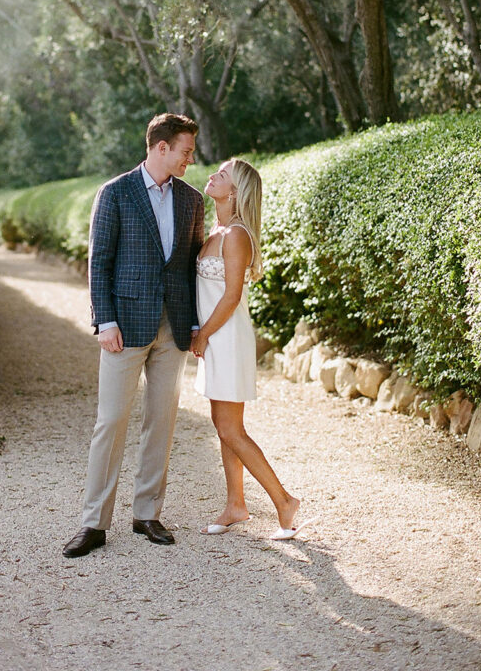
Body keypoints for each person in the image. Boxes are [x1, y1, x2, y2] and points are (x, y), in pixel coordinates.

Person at [63, 113, 205, 558]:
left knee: (161, 422)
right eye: (185, 150)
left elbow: (192, 266)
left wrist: (196, 323)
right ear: (160, 147)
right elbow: (98, 262)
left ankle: (147, 514)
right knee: (111, 423)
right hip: (123, 328)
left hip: (173, 328)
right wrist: (104, 321)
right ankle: (94, 523)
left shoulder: (192, 199)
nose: (190, 159)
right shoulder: (115, 192)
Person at [192, 158, 306, 540]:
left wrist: (203, 334)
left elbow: (231, 295)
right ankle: (235, 505)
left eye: (221, 175)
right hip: (214, 337)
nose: (212, 176)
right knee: (225, 428)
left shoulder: (236, 235)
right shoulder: (217, 230)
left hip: (226, 337)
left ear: (235, 192)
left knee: (231, 429)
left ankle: (284, 502)